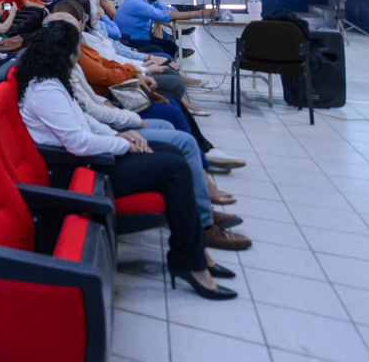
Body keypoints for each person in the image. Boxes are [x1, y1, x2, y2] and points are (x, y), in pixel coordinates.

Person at [16, 21, 237, 299]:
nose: (77, 59)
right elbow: (78, 142)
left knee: (174, 154)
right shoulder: (46, 89)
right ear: (63, 55)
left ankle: (194, 254)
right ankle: (193, 262)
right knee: (176, 169)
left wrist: (124, 134)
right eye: (75, 53)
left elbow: (86, 121)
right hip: (81, 168)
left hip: (95, 155)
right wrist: (121, 143)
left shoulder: (51, 79)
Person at [113, 0, 216, 59]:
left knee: (170, 46)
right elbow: (166, 16)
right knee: (163, 50)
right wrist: (199, 13)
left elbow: (170, 10)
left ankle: (171, 71)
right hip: (131, 41)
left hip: (142, 37)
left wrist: (172, 11)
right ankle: (166, 73)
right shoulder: (136, 2)